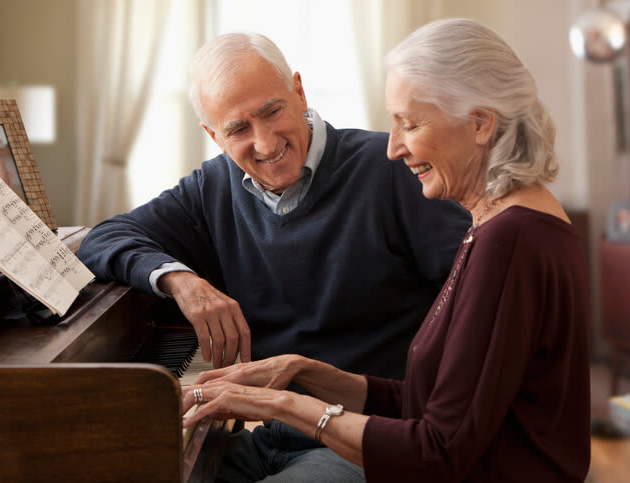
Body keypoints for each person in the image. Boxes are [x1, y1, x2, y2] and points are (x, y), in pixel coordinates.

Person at [181, 19, 591, 482]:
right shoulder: (501, 224)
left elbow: (437, 451)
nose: (393, 148)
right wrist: (302, 370)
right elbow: (426, 402)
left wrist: (280, 403)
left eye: (409, 123)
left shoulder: (511, 240)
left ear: (479, 124)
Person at [77, 32, 469, 378]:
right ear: (214, 135)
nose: (265, 143)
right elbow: (104, 238)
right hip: (266, 424)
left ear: (298, 91)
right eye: (238, 129)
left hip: (364, 431)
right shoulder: (211, 187)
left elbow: (474, 297)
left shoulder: (393, 168)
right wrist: (183, 282)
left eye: (272, 112)